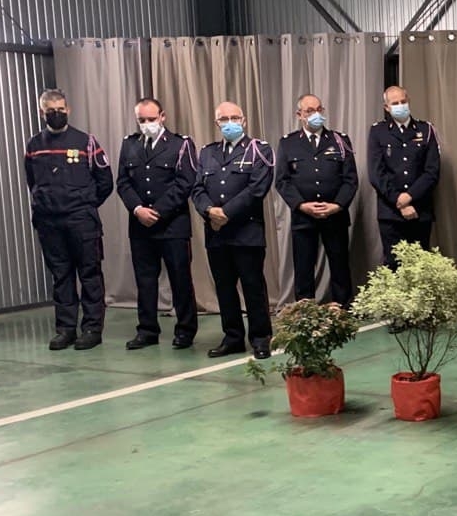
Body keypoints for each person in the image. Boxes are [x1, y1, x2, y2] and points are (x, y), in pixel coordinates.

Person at [24, 89, 113, 350]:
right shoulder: (34, 145)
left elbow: (104, 181)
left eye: (60, 109)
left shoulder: (86, 141)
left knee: (89, 274)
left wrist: (83, 203)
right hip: (49, 222)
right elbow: (32, 181)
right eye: (50, 110)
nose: (56, 114)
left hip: (81, 220)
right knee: (61, 276)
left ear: (68, 109)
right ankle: (65, 329)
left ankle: (92, 329)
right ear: (42, 113)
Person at [190, 101, 275, 360]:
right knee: (225, 288)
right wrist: (208, 211)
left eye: (235, 117)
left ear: (244, 120)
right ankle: (233, 337)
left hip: (246, 232)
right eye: (224, 119)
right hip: (216, 233)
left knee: (253, 287)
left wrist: (225, 213)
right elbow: (197, 188)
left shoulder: (259, 150)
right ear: (217, 123)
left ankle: (261, 338)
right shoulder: (207, 152)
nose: (230, 122)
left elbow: (257, 189)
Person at [115, 97, 199, 350]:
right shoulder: (129, 145)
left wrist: (158, 211)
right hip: (140, 225)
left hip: (172, 224)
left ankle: (185, 330)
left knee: (180, 280)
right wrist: (138, 209)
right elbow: (122, 182)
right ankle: (147, 329)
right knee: (145, 280)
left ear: (162, 116)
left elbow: (185, 182)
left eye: (151, 119)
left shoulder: (180, 144)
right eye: (142, 120)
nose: (147, 124)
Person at [276, 94, 358, 307]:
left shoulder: (340, 140)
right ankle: (305, 313)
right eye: (309, 111)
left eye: (318, 110)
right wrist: (301, 205)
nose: (315, 115)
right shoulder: (288, 143)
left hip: (335, 215)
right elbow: (283, 181)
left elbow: (350, 179)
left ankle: (343, 310)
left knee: (340, 265)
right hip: (304, 216)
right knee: (303, 267)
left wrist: (337, 205)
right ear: (299, 115)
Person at [367, 85, 440, 269]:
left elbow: (431, 171)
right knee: (394, 267)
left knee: (420, 268)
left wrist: (410, 197)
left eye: (403, 101)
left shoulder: (426, 130)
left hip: (420, 210)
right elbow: (376, 174)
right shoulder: (378, 132)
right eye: (395, 103)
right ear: (386, 107)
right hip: (390, 213)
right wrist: (399, 200)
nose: (400, 106)